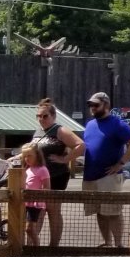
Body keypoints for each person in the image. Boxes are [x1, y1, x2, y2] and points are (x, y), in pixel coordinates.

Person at [81, 92, 130, 248]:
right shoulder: (89, 124)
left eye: (96, 105)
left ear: (106, 105)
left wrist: (121, 163)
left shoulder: (116, 123)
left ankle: (119, 245)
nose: (92, 108)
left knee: (113, 212)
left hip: (109, 176)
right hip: (90, 175)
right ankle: (107, 243)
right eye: (90, 105)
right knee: (100, 211)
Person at [31, 98, 84, 246]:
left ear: (53, 116)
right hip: (39, 177)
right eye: (39, 116)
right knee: (39, 209)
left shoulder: (60, 130)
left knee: (52, 210)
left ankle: (54, 246)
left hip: (56, 175)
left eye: (45, 116)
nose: (41, 119)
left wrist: (65, 159)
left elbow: (80, 145)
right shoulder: (38, 131)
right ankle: (34, 246)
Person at [18, 143, 50, 248]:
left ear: (37, 155)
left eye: (29, 155)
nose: (27, 158)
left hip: (35, 204)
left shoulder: (42, 169)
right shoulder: (27, 169)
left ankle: (36, 250)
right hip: (25, 202)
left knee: (30, 229)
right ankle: (27, 251)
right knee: (24, 229)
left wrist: (37, 196)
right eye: (25, 156)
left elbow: (47, 187)